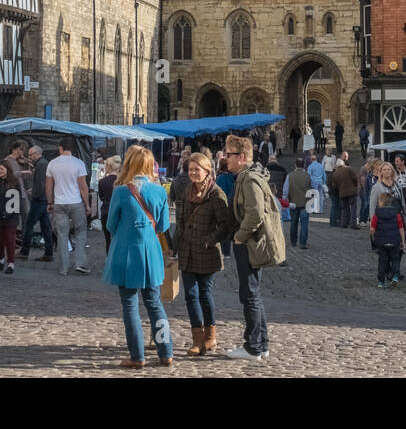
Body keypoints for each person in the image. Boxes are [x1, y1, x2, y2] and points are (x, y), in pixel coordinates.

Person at [103, 145, 174, 368]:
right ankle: (166, 351)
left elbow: (110, 224)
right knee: (155, 304)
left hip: (127, 251)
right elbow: (163, 225)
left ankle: (137, 355)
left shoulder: (122, 191)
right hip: (151, 250)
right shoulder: (160, 191)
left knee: (130, 306)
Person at [223, 135, 283, 360]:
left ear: (241, 157)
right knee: (253, 293)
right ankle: (262, 343)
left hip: (249, 243)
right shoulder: (247, 176)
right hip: (250, 242)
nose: (224, 158)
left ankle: (253, 346)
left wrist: (239, 236)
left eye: (228, 154)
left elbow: (256, 213)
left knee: (249, 294)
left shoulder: (248, 179)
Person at [174, 151, 233, 357]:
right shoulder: (186, 191)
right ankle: (197, 339)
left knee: (205, 295)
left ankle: (210, 336)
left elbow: (225, 225)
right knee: (190, 295)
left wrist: (209, 239)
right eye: (190, 170)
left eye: (196, 170)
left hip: (206, 252)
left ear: (207, 170)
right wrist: (175, 246)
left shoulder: (216, 194)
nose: (193, 173)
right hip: (187, 250)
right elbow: (180, 221)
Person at [47, 140, 91, 276]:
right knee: (80, 231)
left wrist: (50, 202)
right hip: (76, 202)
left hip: (59, 203)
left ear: (60, 148)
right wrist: (87, 204)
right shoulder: (78, 163)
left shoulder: (52, 163)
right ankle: (80, 263)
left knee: (62, 234)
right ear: (72, 149)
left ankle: (63, 268)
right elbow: (83, 187)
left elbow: (48, 186)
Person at [19, 145, 54, 262]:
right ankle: (49, 253)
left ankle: (24, 252)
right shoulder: (42, 163)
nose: (29, 157)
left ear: (37, 153)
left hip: (39, 200)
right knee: (46, 227)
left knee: (29, 225)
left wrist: (34, 194)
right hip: (43, 199)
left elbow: (42, 184)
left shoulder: (41, 164)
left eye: (31, 154)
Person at [0, 163, 20, 274]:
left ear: (7, 169)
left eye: (2, 169)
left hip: (11, 216)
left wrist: (9, 213)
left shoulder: (14, 182)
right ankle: (0, 260)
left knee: (10, 239)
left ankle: (11, 263)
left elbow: (17, 199)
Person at [371, 192, 405, 288]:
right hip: (394, 241)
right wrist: (403, 241)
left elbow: (372, 229)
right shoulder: (397, 214)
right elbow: (401, 229)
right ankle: (395, 277)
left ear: (381, 202)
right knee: (395, 259)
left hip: (381, 242)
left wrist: (373, 237)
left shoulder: (377, 214)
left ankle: (381, 281)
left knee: (382, 261)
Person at [282, 157, 312, 249]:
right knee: (304, 224)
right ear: (304, 165)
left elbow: (285, 190)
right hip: (305, 203)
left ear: (295, 165)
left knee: (293, 223)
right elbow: (312, 190)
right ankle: (302, 242)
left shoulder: (290, 176)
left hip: (293, 202)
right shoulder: (308, 176)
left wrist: (285, 200)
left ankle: (293, 241)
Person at [96, 155, 120, 252]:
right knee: (118, 238)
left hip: (106, 211)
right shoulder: (121, 181)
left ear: (108, 167)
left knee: (108, 239)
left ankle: (109, 261)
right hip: (119, 212)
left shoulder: (102, 181)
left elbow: (101, 197)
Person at [329, 156, 359, 230]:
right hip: (351, 192)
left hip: (342, 193)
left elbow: (334, 186)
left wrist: (340, 188)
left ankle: (343, 223)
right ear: (343, 164)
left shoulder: (335, 174)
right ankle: (353, 224)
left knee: (344, 209)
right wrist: (355, 186)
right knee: (353, 208)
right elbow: (356, 178)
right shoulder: (349, 169)